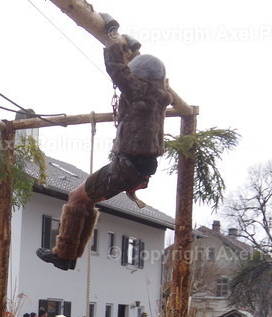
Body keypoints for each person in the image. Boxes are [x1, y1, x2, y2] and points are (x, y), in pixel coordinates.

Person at [36, 30, 171, 270]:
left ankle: (64, 254)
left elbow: (116, 69)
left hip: (127, 166)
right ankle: (69, 256)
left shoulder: (138, 90)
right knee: (84, 202)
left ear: (139, 77)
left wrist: (113, 39)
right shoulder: (162, 96)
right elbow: (143, 74)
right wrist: (135, 53)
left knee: (76, 199)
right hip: (138, 167)